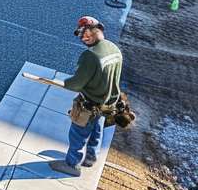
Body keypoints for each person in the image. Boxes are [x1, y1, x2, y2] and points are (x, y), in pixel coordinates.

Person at [23, 15, 123, 177]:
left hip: (91, 103)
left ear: (97, 30)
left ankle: (72, 164)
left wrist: (65, 83)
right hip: (108, 103)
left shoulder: (90, 56)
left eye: (87, 32)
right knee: (97, 128)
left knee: (78, 134)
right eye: (81, 34)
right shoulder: (113, 49)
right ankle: (91, 155)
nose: (84, 37)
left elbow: (77, 83)